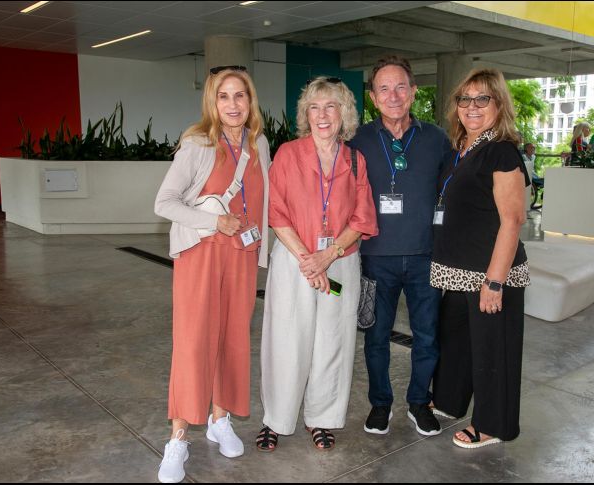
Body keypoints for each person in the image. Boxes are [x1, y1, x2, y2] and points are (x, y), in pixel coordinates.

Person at [153, 66, 270, 483]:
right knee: (194, 342)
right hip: (201, 256)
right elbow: (164, 202)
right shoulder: (198, 144)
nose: (233, 105)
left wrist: (263, 255)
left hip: (241, 257)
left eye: (240, 96)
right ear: (213, 103)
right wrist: (212, 224)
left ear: (250, 101)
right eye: (224, 97)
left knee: (233, 339)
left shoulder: (260, 145)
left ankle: (220, 419)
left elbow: (264, 204)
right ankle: (179, 437)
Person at [258, 77, 378, 452]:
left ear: (344, 115)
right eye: (315, 107)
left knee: (334, 341)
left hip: (339, 262)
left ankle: (322, 418)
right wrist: (309, 260)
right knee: (286, 338)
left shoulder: (355, 160)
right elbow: (275, 212)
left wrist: (326, 256)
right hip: (294, 261)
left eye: (331, 106)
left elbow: (362, 218)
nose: (322, 115)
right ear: (305, 114)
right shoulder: (288, 154)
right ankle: (276, 419)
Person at [347, 56, 452, 437]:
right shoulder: (356, 142)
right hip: (376, 258)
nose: (394, 95)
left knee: (427, 336)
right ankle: (380, 404)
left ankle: (419, 403)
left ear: (413, 92)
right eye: (385, 88)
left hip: (427, 257)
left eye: (401, 87)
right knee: (376, 337)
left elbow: (453, 190)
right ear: (373, 97)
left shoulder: (437, 139)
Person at [430, 67, 531, 449]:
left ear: (499, 104)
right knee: (456, 341)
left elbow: (513, 220)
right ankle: (450, 400)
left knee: (493, 350)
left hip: (488, 271)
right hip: (458, 272)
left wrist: (494, 281)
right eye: (464, 99)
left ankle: (493, 424)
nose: (471, 107)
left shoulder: (501, 151)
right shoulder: (463, 149)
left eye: (482, 99)